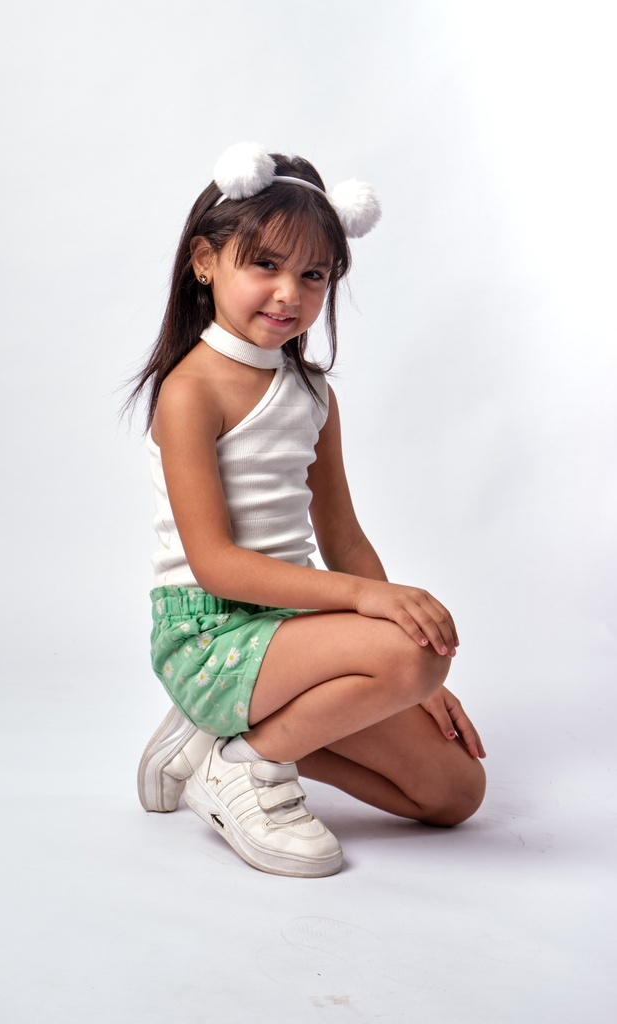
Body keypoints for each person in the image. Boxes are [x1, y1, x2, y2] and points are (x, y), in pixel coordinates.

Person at [128, 142, 486, 878]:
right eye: (264, 264)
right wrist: (381, 624)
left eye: (313, 274)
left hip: (288, 633)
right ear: (205, 260)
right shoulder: (190, 390)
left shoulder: (314, 394)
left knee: (454, 794)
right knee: (410, 653)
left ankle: (223, 741)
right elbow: (215, 563)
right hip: (210, 632)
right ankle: (245, 766)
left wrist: (423, 684)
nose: (289, 292)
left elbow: (342, 535)